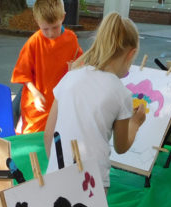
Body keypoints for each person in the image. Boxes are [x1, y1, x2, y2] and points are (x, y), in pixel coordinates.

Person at [44, 11, 147, 189]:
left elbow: (48, 133)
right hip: (92, 182)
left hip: (57, 174)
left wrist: (56, 166)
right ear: (131, 54)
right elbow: (121, 147)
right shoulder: (121, 93)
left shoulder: (70, 77)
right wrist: (136, 123)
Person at [11, 0, 82, 134]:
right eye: (45, 29)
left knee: (57, 141)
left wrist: (76, 68)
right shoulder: (33, 42)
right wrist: (36, 93)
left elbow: (80, 63)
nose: (50, 33)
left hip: (60, 105)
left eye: (55, 27)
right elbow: (22, 74)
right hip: (37, 106)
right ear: (37, 22)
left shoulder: (71, 39)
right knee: (34, 141)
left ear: (63, 17)